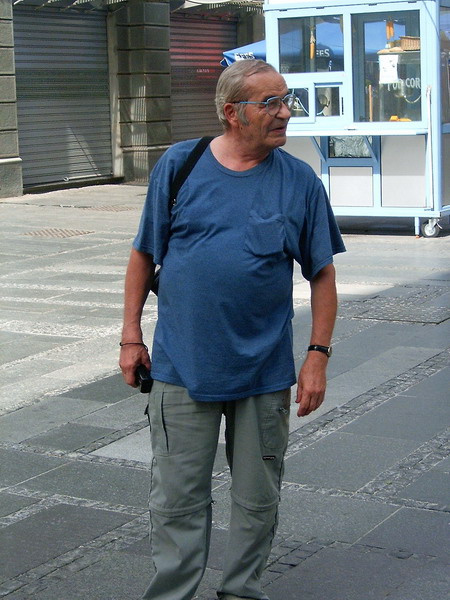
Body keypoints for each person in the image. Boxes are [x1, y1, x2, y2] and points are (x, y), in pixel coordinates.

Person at [119, 59, 345, 600]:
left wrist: (317, 355)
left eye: (287, 100)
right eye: (270, 103)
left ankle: (242, 591)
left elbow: (322, 273)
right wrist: (131, 336)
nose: (285, 112)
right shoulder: (181, 164)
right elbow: (144, 254)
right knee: (176, 499)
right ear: (231, 112)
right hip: (182, 366)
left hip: (263, 372)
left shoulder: (299, 181)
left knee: (257, 498)